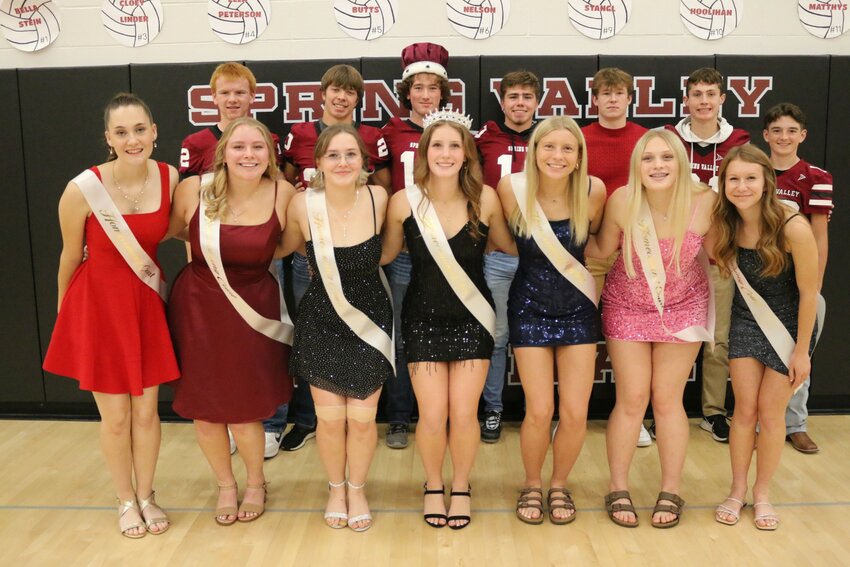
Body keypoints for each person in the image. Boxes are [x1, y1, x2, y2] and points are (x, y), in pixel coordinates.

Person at [43, 93, 179, 538]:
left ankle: (147, 495)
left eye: (140, 129)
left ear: (154, 132)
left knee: (147, 414)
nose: (132, 139)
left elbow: (186, 234)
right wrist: (67, 318)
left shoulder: (171, 177)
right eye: (121, 132)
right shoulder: (81, 189)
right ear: (108, 138)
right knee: (117, 417)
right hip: (97, 309)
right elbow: (67, 258)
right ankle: (125, 500)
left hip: (144, 308)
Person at [381, 109, 515, 529]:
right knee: (433, 413)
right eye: (436, 144)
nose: (445, 152)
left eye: (454, 145)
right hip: (422, 319)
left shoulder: (486, 198)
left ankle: (460, 486)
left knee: (463, 413)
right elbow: (385, 255)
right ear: (424, 152)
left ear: (467, 153)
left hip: (472, 320)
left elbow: (508, 246)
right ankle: (433, 485)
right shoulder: (404, 201)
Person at [167, 117, 295, 526]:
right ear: (224, 153)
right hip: (198, 308)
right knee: (205, 409)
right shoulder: (193, 189)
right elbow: (174, 231)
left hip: (253, 308)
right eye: (239, 147)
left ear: (270, 155)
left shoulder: (283, 192)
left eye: (257, 148)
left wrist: (243, 258)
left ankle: (256, 482)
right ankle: (225, 485)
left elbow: (286, 245)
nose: (248, 155)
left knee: (245, 408)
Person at [587, 129, 716, 529]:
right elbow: (600, 250)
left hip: (684, 305)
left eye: (666, 157)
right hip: (627, 306)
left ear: (681, 162)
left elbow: (719, 253)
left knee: (667, 400)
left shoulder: (705, 201)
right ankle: (618, 486)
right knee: (632, 397)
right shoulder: (623, 200)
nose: (657, 166)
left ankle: (670, 489)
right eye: (648, 158)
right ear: (636, 165)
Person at [282, 124, 393, 532]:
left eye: (351, 155)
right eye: (333, 155)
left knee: (363, 419)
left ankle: (358, 487)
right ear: (319, 163)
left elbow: (391, 251)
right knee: (329, 420)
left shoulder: (378, 198)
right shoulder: (301, 205)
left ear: (363, 162)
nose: (342, 162)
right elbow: (291, 245)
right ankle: (335, 488)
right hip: (321, 320)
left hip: (370, 321)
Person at [497, 116, 605, 524]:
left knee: (575, 411)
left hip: (577, 310)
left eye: (567, 149)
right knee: (539, 410)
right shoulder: (512, 189)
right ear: (534, 151)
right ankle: (531, 483)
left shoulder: (594, 191)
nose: (557, 156)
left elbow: (596, 244)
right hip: (528, 307)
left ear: (579, 157)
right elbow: (507, 244)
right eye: (549, 147)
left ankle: (559, 484)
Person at [280, 64, 390, 453]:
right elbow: (286, 185)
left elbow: (383, 199)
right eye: (335, 90)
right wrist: (318, 249)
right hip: (315, 258)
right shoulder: (300, 135)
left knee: (361, 394)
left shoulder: (374, 143)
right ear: (322, 93)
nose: (342, 97)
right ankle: (308, 420)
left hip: (361, 263)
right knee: (312, 340)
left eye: (350, 92)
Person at [178, 62, 284, 458]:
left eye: (241, 92)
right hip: (205, 283)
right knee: (210, 380)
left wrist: (255, 248)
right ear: (214, 97)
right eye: (226, 92)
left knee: (255, 370)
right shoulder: (195, 150)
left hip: (254, 274)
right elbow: (177, 224)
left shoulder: (278, 181)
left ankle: (267, 431)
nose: (233, 99)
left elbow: (287, 240)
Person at [711, 144, 819, 530]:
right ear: (722, 183)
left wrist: (802, 352)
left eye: (750, 178)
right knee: (743, 411)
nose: (741, 186)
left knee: (771, 415)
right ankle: (737, 489)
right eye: (733, 179)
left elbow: (810, 294)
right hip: (746, 320)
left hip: (789, 328)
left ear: (767, 182)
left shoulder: (793, 226)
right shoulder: (726, 223)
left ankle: (762, 494)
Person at [665, 67, 750, 444]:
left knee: (717, 338)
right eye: (696, 94)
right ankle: (663, 408)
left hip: (718, 252)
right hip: (674, 256)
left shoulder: (740, 141)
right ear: (686, 100)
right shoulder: (668, 139)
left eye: (710, 94)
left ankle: (713, 412)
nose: (703, 101)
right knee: (667, 337)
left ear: (721, 99)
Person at [380, 42, 451, 449]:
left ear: (443, 92)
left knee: (445, 331)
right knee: (403, 336)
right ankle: (400, 417)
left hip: (450, 253)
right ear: (407, 92)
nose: (425, 95)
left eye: (432, 87)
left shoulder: (456, 132)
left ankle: (441, 415)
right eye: (417, 87)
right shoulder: (391, 132)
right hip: (406, 253)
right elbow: (386, 190)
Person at [581, 67, 650, 447]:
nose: (611, 99)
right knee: (583, 335)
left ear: (628, 98)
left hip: (639, 252)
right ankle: (575, 413)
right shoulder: (580, 138)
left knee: (631, 336)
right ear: (594, 99)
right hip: (590, 250)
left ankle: (633, 415)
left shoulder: (646, 140)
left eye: (618, 93)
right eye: (604, 93)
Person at [475, 70, 541, 444]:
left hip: (541, 254)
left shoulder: (549, 138)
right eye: (513, 96)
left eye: (527, 97)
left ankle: (540, 410)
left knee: (539, 338)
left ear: (537, 102)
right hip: (499, 254)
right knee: (497, 336)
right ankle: (494, 409)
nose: (519, 103)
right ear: (502, 101)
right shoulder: (484, 137)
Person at [762, 103, 833, 454]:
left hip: (798, 279)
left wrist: (815, 282)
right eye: (777, 131)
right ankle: (763, 420)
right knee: (761, 353)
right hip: (758, 279)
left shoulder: (816, 177)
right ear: (766, 136)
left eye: (791, 131)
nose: (784, 137)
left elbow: (819, 234)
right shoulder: (755, 172)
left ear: (802, 135)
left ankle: (796, 424)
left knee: (798, 353)